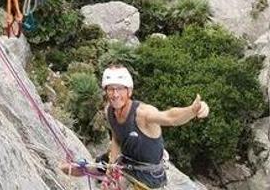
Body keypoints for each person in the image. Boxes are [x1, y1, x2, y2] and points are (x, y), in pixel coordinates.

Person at [60, 66, 210, 189]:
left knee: (112, 187)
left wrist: (192, 110)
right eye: (111, 89)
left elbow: (170, 117)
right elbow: (117, 138)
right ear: (105, 91)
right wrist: (112, 163)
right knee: (73, 168)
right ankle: (55, 166)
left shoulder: (143, 114)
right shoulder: (109, 111)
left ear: (129, 91)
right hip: (125, 160)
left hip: (148, 175)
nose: (115, 94)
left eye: (120, 89)